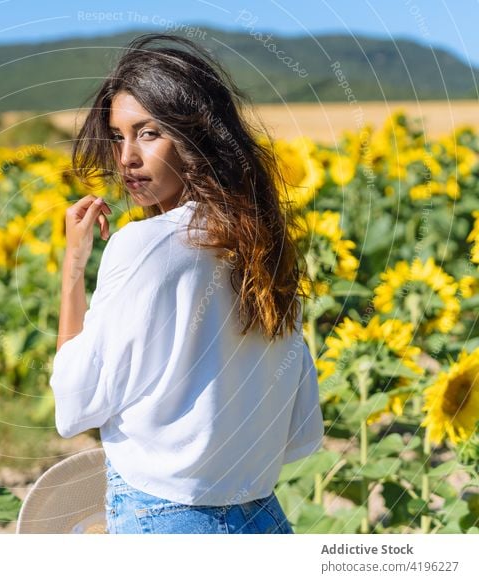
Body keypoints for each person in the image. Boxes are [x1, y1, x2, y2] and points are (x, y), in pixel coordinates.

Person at [48, 33, 324, 534]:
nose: (126, 156)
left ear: (197, 137)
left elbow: (75, 403)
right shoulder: (265, 243)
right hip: (262, 516)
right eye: (117, 135)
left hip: (164, 517)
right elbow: (298, 425)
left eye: (148, 133)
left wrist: (73, 268)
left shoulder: (142, 245)